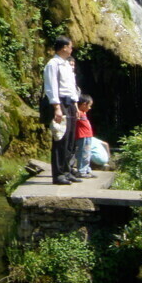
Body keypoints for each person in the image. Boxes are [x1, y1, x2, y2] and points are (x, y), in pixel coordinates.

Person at [42, 36, 80, 185]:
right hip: (60, 102)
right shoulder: (53, 64)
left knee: (70, 139)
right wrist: (56, 107)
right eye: (70, 46)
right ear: (64, 47)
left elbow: (71, 86)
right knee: (60, 138)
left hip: (70, 103)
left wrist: (76, 105)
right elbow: (51, 86)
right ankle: (58, 174)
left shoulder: (65, 64)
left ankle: (67, 170)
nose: (72, 49)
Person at [74, 94, 96, 179]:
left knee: (87, 154)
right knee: (83, 154)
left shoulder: (83, 113)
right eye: (89, 105)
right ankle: (81, 171)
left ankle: (87, 169)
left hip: (87, 136)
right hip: (82, 136)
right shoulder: (78, 113)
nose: (90, 108)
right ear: (84, 104)